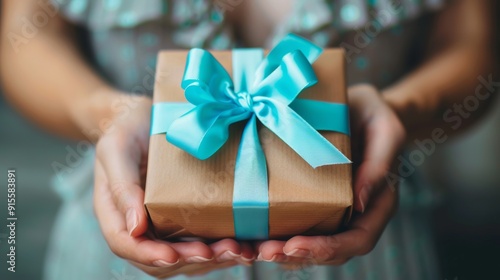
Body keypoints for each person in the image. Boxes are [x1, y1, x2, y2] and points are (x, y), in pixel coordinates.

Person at [0, 0, 495, 279]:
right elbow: (23, 33)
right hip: (119, 236)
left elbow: (474, 46)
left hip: (370, 247)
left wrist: (399, 112)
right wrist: (106, 114)